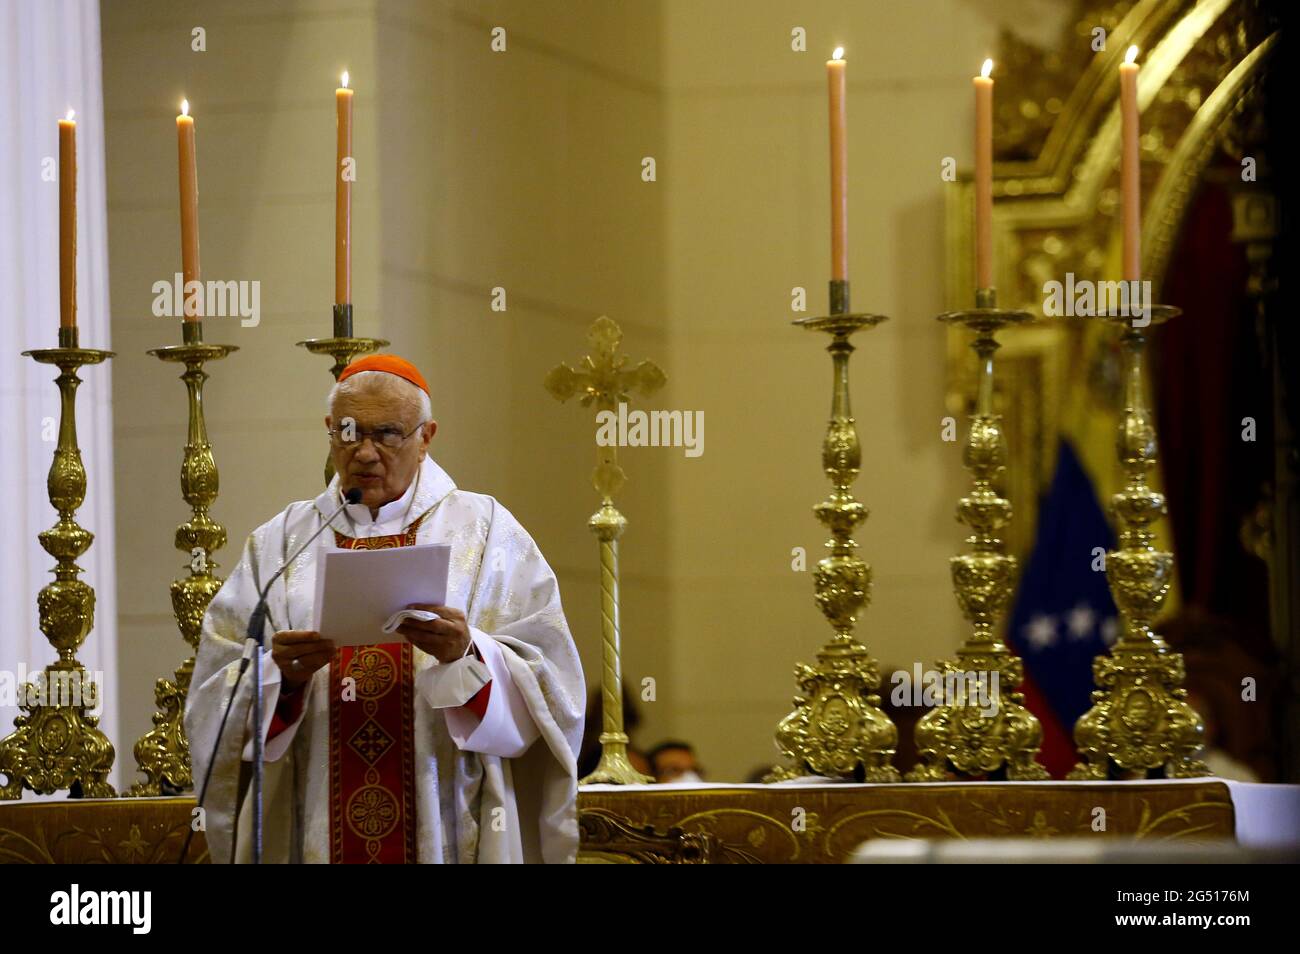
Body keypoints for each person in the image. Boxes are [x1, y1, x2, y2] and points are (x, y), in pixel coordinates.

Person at [183, 355, 585, 863]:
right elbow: (213, 692)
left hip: (446, 819)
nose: (365, 453)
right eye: (348, 433)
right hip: (316, 824)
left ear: (427, 437)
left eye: (388, 434)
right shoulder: (282, 541)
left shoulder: (486, 532)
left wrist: (470, 656)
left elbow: (553, 683)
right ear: (329, 431)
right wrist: (280, 680)